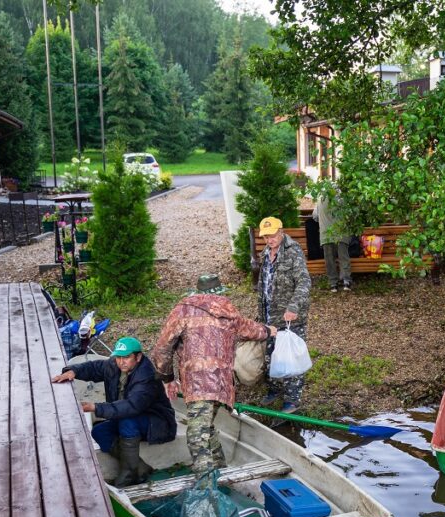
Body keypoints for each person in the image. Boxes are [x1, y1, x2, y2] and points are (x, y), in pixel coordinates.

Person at [150, 274, 277, 474]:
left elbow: (162, 348)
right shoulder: (229, 311)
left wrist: (166, 378)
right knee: (206, 428)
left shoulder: (182, 310)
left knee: (196, 436)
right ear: (218, 292)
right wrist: (269, 330)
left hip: (197, 384)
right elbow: (251, 329)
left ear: (197, 292)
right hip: (223, 385)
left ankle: (206, 489)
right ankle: (220, 469)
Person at [52, 336, 177, 487]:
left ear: (138, 357)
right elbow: (95, 367)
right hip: (129, 419)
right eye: (118, 357)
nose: (121, 361)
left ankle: (129, 473)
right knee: (99, 432)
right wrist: (73, 371)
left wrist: (95, 407)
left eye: (126, 357)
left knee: (127, 421)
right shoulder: (115, 365)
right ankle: (140, 467)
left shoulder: (147, 376)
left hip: (158, 424)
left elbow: (131, 406)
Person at [256, 216, 311, 413]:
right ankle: (275, 390)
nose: (269, 240)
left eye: (272, 236)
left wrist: (293, 307)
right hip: (270, 316)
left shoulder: (292, 251)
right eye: (265, 237)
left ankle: (292, 400)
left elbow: (304, 282)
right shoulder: (265, 253)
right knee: (271, 355)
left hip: (289, 317)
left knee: (290, 357)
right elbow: (264, 285)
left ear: (281, 232)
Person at [313, 187, 352, 292]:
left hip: (326, 235)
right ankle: (346, 281)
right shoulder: (342, 199)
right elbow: (350, 214)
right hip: (341, 234)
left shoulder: (320, 198)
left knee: (329, 260)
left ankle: (333, 283)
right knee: (343, 258)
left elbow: (315, 216)